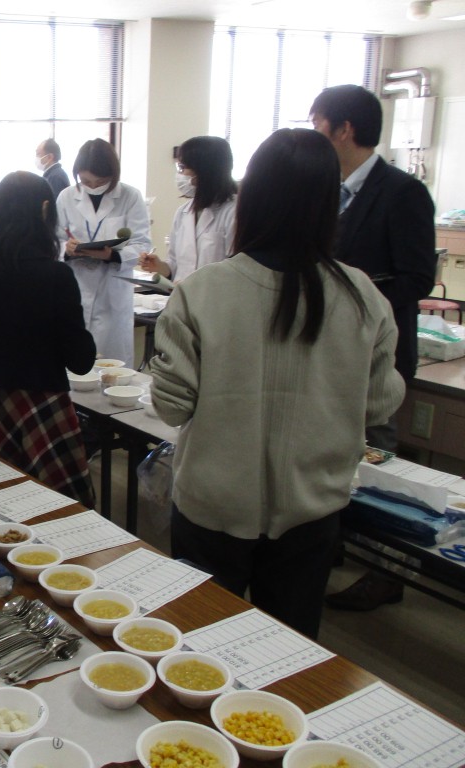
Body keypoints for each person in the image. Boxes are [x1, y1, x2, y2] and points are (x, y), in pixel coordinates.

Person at [149, 128, 405, 639]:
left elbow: (172, 406)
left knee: (202, 648)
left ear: (252, 199)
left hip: (213, 506)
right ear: (328, 203)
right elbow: (379, 403)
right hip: (312, 512)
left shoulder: (203, 292)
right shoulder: (361, 295)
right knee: (285, 657)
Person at [309, 84, 437, 611]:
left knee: (375, 457)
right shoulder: (325, 190)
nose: (313, 134)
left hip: (373, 356)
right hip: (324, 355)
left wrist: (357, 302)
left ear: (344, 130)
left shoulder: (401, 192)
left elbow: (417, 278)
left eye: (317, 124)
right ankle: (334, 542)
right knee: (332, 453)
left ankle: (386, 574)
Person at [0, 171, 96, 506]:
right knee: (53, 509)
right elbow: (80, 361)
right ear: (45, 209)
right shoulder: (55, 276)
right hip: (41, 404)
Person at [56, 138, 152, 366]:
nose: (92, 186)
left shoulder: (130, 196)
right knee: (75, 370)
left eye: (101, 181)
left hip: (113, 295)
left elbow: (141, 243)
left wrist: (112, 255)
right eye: (86, 180)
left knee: (113, 370)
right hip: (76, 288)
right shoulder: (67, 197)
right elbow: (54, 240)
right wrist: (66, 250)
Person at [138, 136, 237, 283]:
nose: (180, 174)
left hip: (217, 300)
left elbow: (236, 269)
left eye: (182, 168)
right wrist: (160, 267)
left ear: (204, 170)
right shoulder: (183, 212)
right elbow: (175, 265)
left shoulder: (233, 211)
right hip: (183, 298)